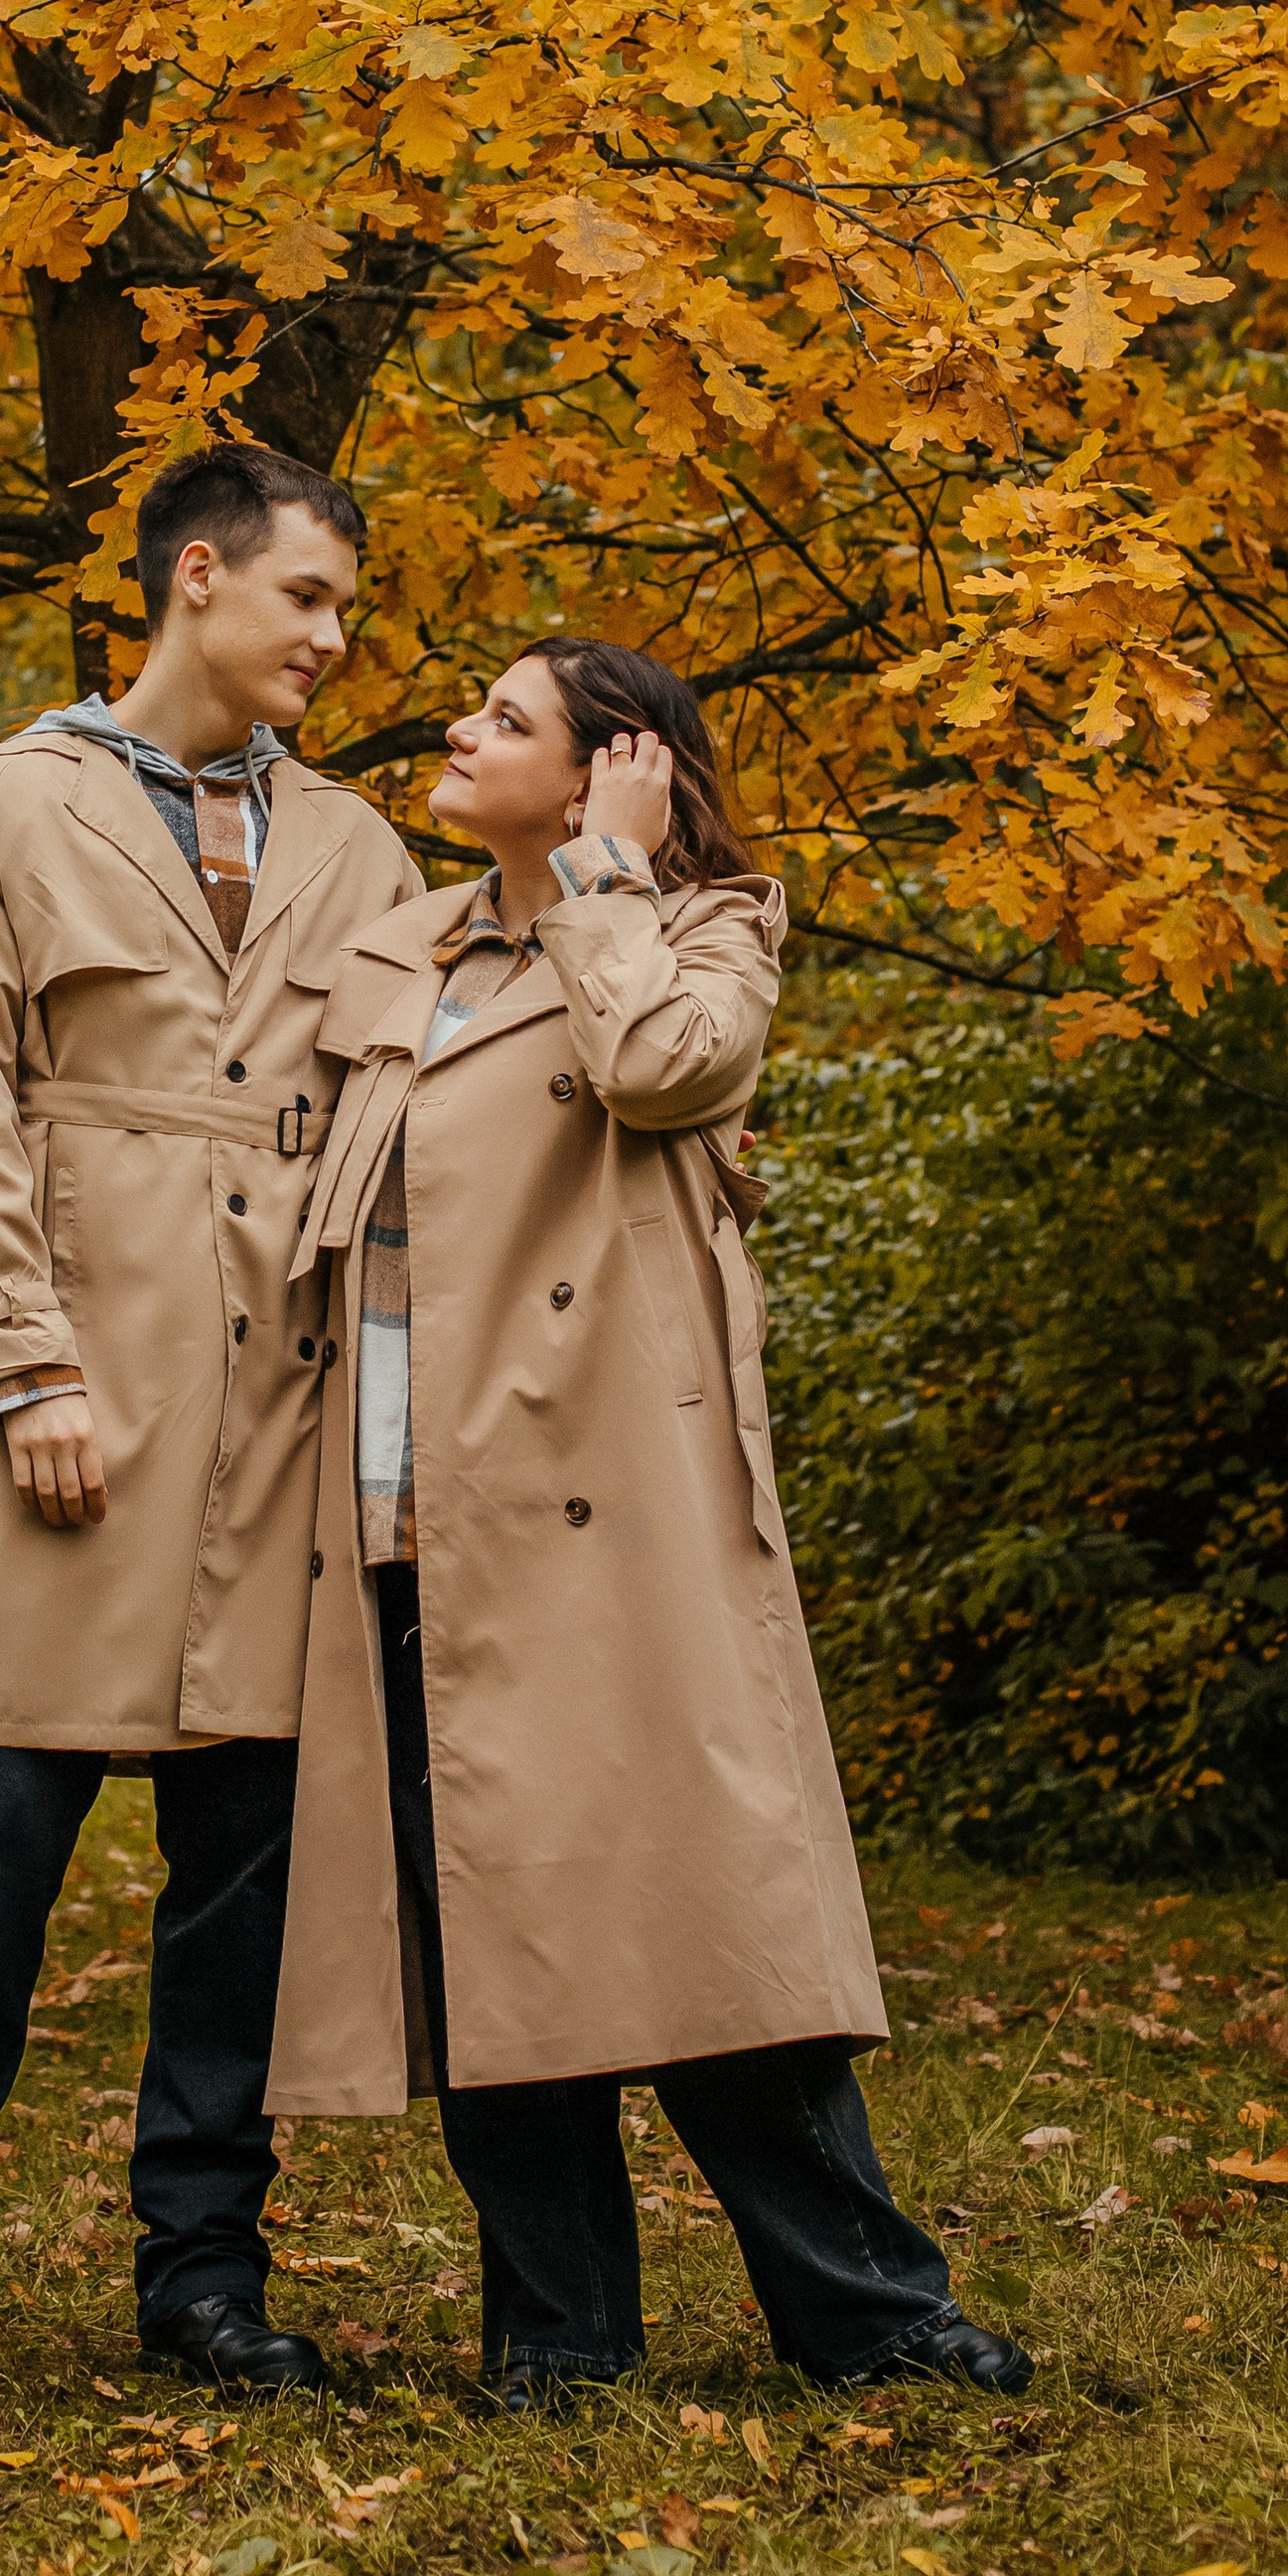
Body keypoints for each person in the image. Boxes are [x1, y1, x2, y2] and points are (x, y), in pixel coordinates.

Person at [261, 637, 1032, 2408]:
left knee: (702, 1939)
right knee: (497, 1959)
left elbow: (669, 1075)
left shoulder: (704, 931)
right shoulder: (408, 952)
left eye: (508, 720)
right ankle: (559, 2340)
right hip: (408, 1509)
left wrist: (609, 877)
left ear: (617, 767)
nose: (460, 731)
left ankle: (867, 2311)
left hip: (605, 1528)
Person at [0, 444, 421, 2410]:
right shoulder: (10, 807)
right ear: (197, 580)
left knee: (242, 1886)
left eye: (343, 609)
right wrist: (25, 1372)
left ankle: (203, 2279)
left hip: (295, 1435)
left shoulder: (362, 851)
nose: (332, 638)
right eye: (306, 599)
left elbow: (410, 1166)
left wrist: (393, 1459)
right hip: (81, 1410)